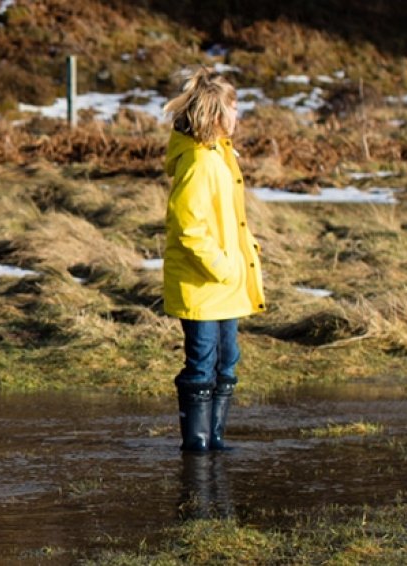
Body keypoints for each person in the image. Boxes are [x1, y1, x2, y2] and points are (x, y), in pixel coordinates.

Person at [160, 69, 266, 452]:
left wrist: (246, 254)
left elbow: (230, 219)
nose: (239, 116)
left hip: (225, 284)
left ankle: (215, 438)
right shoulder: (198, 164)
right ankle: (198, 444)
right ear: (214, 113)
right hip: (202, 284)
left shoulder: (222, 157)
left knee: (227, 362)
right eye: (234, 108)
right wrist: (223, 266)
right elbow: (189, 227)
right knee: (202, 364)